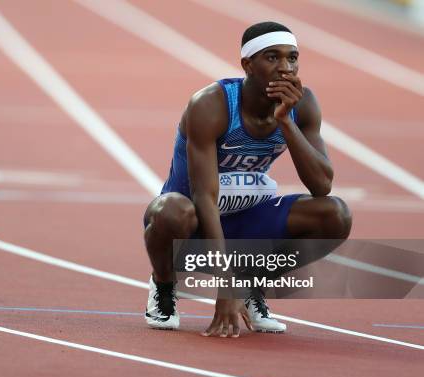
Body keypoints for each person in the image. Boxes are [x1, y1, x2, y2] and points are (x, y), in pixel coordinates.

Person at [143, 22, 352, 337]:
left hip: (246, 218)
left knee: (335, 214)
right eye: (272, 57)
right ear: (247, 65)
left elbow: (321, 185)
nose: (285, 68)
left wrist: (285, 121)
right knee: (170, 210)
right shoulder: (212, 104)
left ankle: (251, 284)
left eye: (292, 58)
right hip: (192, 223)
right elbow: (204, 198)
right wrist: (223, 286)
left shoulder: (303, 105)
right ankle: (163, 284)